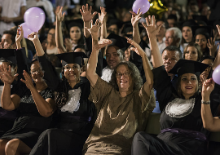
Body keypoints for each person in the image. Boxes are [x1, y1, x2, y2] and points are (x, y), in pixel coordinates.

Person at [83, 18, 155, 155]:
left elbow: (150, 82)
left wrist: (144, 56)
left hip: (120, 149)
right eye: (119, 74)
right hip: (96, 146)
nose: (122, 77)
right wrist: (95, 48)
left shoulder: (138, 98)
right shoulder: (108, 92)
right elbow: (90, 73)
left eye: (126, 73)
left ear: (133, 77)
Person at [25, 30, 96, 155]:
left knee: (50, 134)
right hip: (60, 132)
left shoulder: (88, 86)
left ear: (81, 69)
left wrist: (91, 35)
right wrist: (36, 41)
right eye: (67, 67)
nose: (71, 70)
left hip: (80, 134)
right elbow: (46, 66)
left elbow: (94, 63)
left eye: (75, 67)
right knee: (49, 135)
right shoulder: (60, 87)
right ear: (63, 71)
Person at [131, 59, 220, 155]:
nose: (189, 82)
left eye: (193, 78)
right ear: (179, 83)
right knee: (140, 138)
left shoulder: (204, 100)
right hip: (163, 147)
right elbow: (159, 71)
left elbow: (216, 74)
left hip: (188, 150)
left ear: (198, 83)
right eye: (184, 79)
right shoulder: (169, 99)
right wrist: (145, 53)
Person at [0, 26, 54, 155]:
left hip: (36, 131)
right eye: (34, 71)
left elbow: (46, 112)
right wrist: (7, 84)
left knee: (11, 146)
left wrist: (32, 88)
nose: (37, 73)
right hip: (17, 129)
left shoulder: (51, 91)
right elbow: (7, 105)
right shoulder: (24, 91)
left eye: (40, 70)